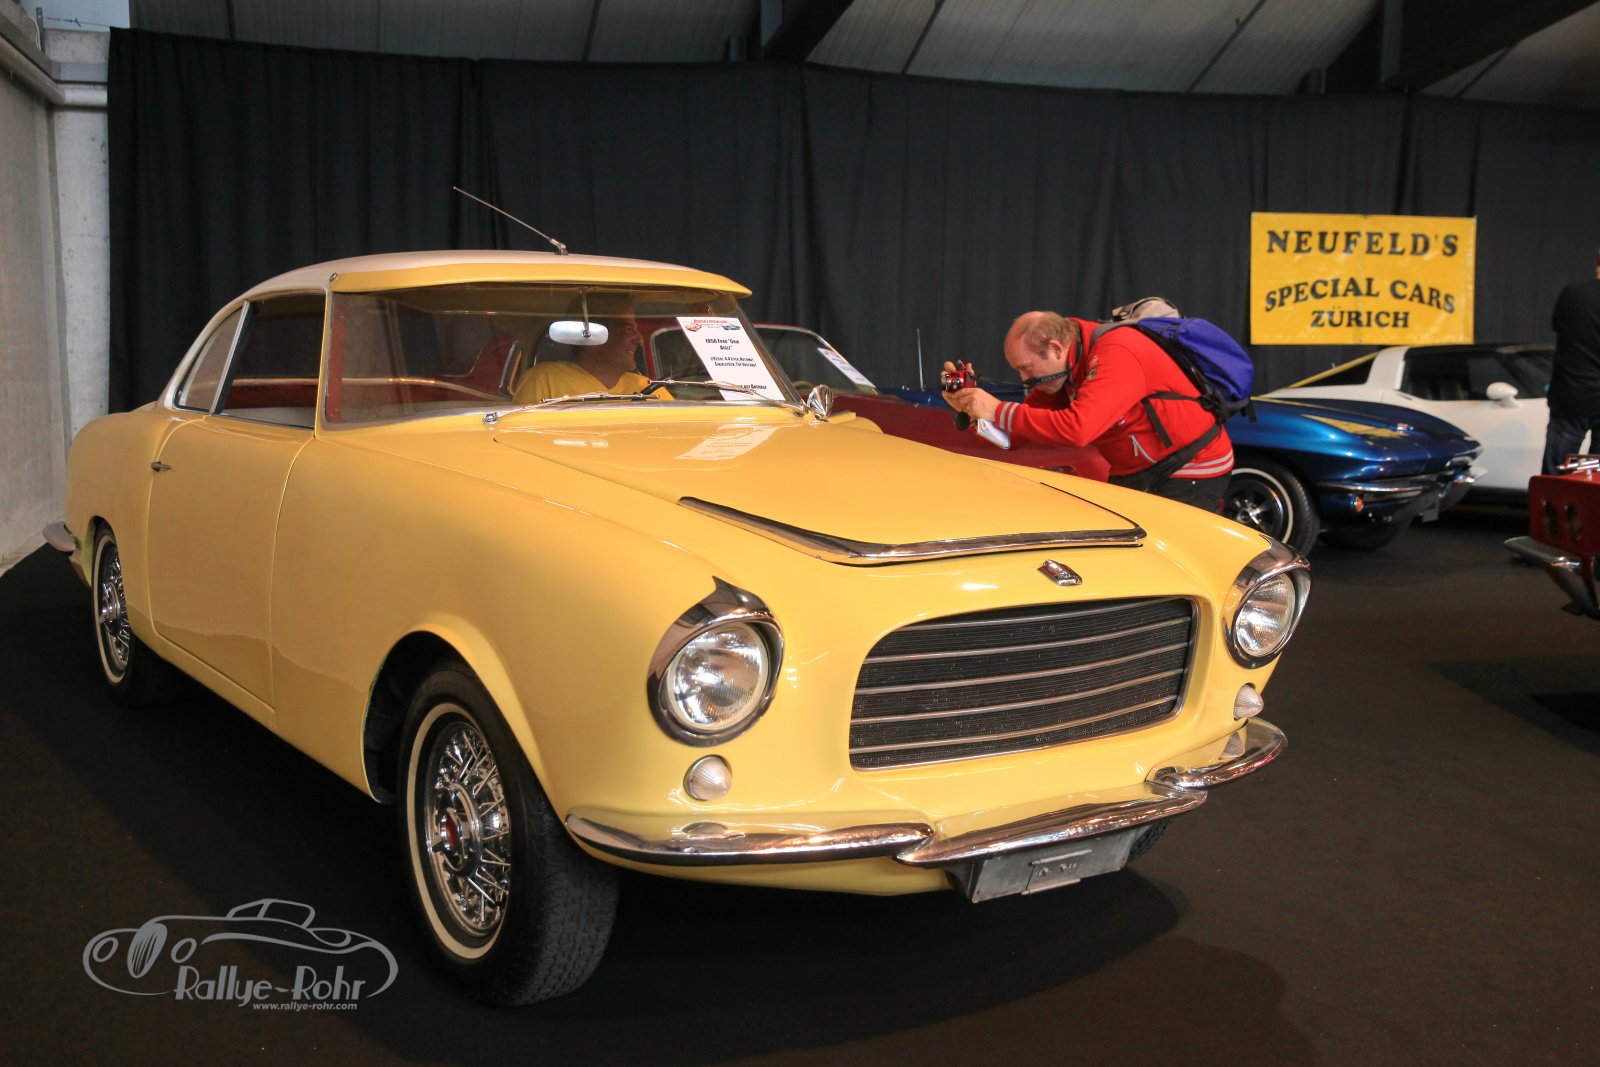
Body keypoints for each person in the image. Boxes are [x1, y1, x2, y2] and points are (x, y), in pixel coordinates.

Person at [943, 310, 1233, 512]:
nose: (1024, 379)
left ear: (1056, 349)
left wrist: (997, 409)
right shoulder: (1064, 369)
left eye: (1027, 367)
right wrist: (974, 412)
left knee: (1166, 559)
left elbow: (1078, 430)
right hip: (1138, 471)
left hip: (1191, 465)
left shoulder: (1118, 352)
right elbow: (1012, 440)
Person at [511, 298, 661, 405]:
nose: (639, 340)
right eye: (628, 329)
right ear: (591, 336)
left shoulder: (646, 387)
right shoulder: (544, 379)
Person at [1542, 247, 1600, 474]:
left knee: (1556, 475)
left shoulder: (1573, 295)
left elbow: (1558, 325)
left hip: (1571, 398)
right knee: (1597, 478)